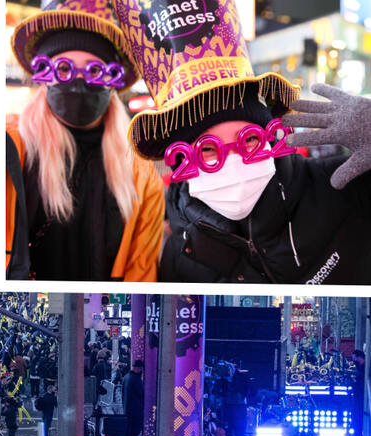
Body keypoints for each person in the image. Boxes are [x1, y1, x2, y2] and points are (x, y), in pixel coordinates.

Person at [112, 0, 371, 284]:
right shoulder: (179, 256)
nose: (234, 161)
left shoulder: (343, 187)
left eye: (250, 140)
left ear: (270, 137)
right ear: (182, 158)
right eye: (207, 149)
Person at [5, 0, 163, 281]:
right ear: (44, 76)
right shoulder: (11, 150)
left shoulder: (141, 176)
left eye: (94, 70)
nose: (77, 83)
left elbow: (141, 273)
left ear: (111, 80)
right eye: (63, 69)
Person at [121, 359, 144, 436]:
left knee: (128, 435)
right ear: (139, 368)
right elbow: (143, 394)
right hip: (136, 412)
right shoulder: (136, 380)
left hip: (127, 411)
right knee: (133, 435)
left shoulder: (126, 377)